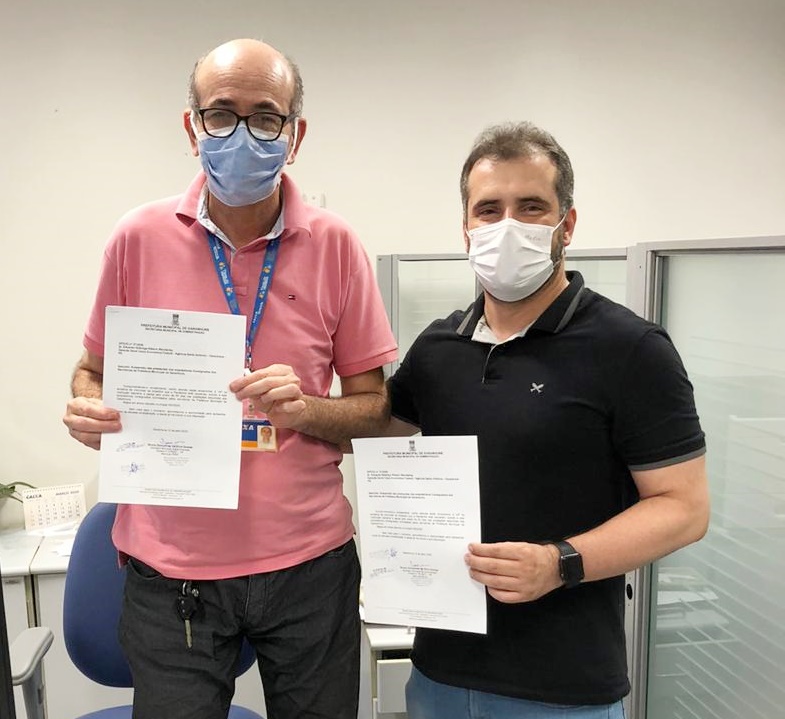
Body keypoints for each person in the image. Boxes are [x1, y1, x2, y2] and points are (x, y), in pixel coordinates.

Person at [62, 38, 397, 719]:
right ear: (193, 128)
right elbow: (90, 370)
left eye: (265, 116)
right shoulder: (137, 237)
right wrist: (88, 407)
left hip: (310, 566)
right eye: (221, 114)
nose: (242, 134)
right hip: (171, 573)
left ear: (294, 135)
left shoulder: (337, 246)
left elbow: (375, 409)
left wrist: (305, 410)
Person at [384, 122, 710, 718]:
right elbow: (377, 431)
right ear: (466, 228)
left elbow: (684, 508)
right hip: (438, 676)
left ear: (567, 224)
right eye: (489, 210)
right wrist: (297, 404)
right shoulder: (438, 348)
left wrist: (560, 563)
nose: (507, 225)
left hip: (564, 688)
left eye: (531, 207)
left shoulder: (631, 349)